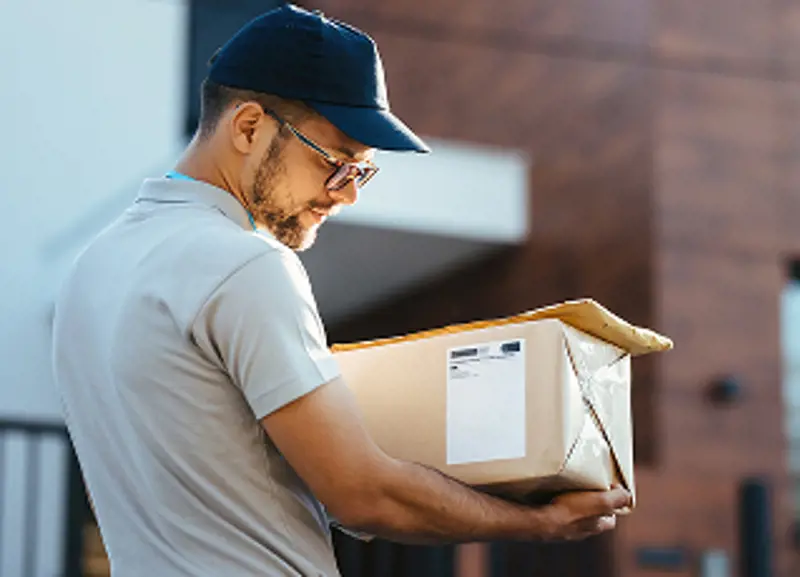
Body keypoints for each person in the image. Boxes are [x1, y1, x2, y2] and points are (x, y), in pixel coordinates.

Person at [52, 5, 631, 576]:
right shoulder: (245, 264)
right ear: (249, 127)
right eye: (338, 163)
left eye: (361, 173)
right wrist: (541, 525)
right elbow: (361, 496)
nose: (346, 194)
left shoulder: (92, 271)